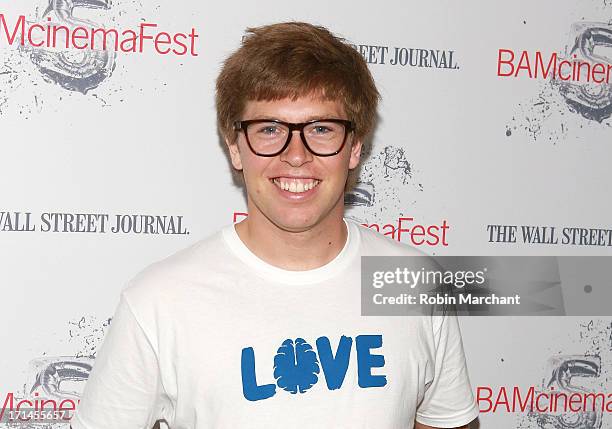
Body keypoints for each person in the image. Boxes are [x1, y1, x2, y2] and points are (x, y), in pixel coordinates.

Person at [70, 21, 479, 429]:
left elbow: (446, 421)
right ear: (235, 147)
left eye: (321, 129)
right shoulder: (159, 300)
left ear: (355, 147)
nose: (296, 155)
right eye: (269, 129)